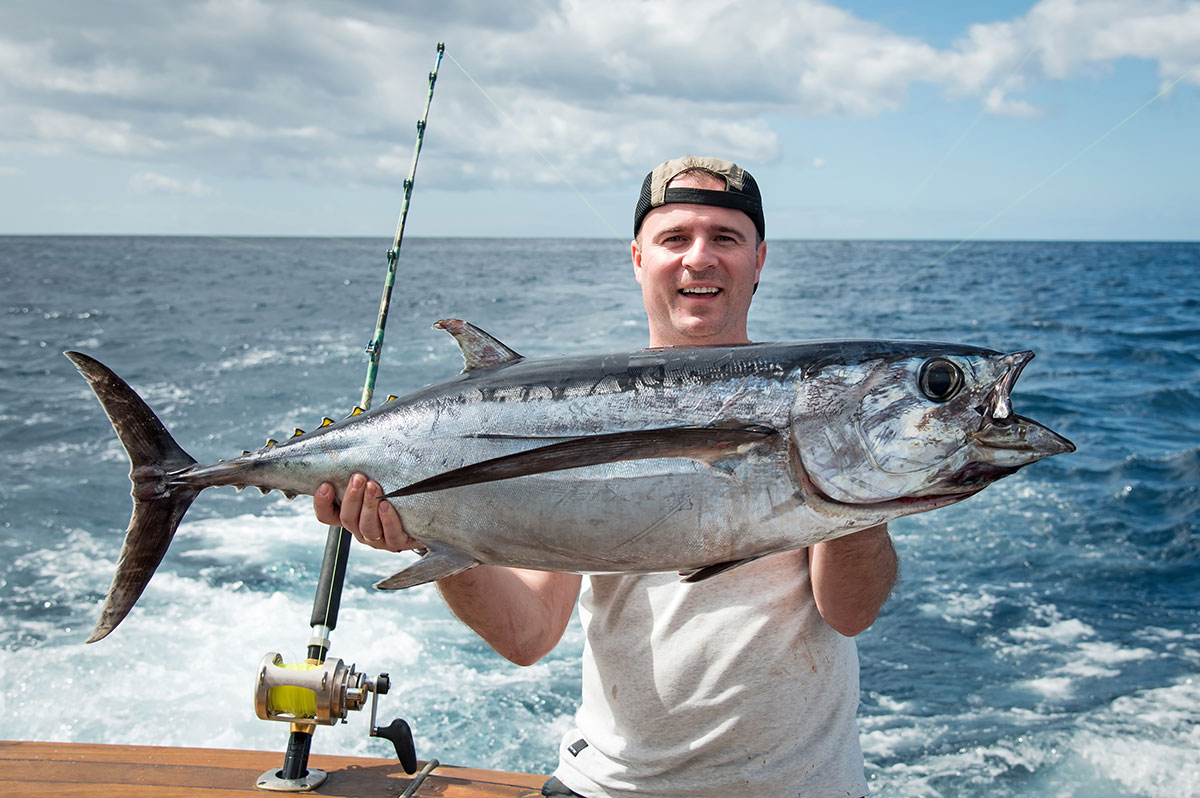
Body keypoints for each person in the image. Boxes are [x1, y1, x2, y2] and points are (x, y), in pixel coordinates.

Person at [314, 156, 898, 797]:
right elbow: (526, 633)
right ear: (639, 258)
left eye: (725, 238)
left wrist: (856, 487)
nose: (698, 258)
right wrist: (433, 533)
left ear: (759, 260)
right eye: (674, 238)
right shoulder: (573, 411)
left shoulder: (814, 403)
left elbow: (848, 612)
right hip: (609, 787)